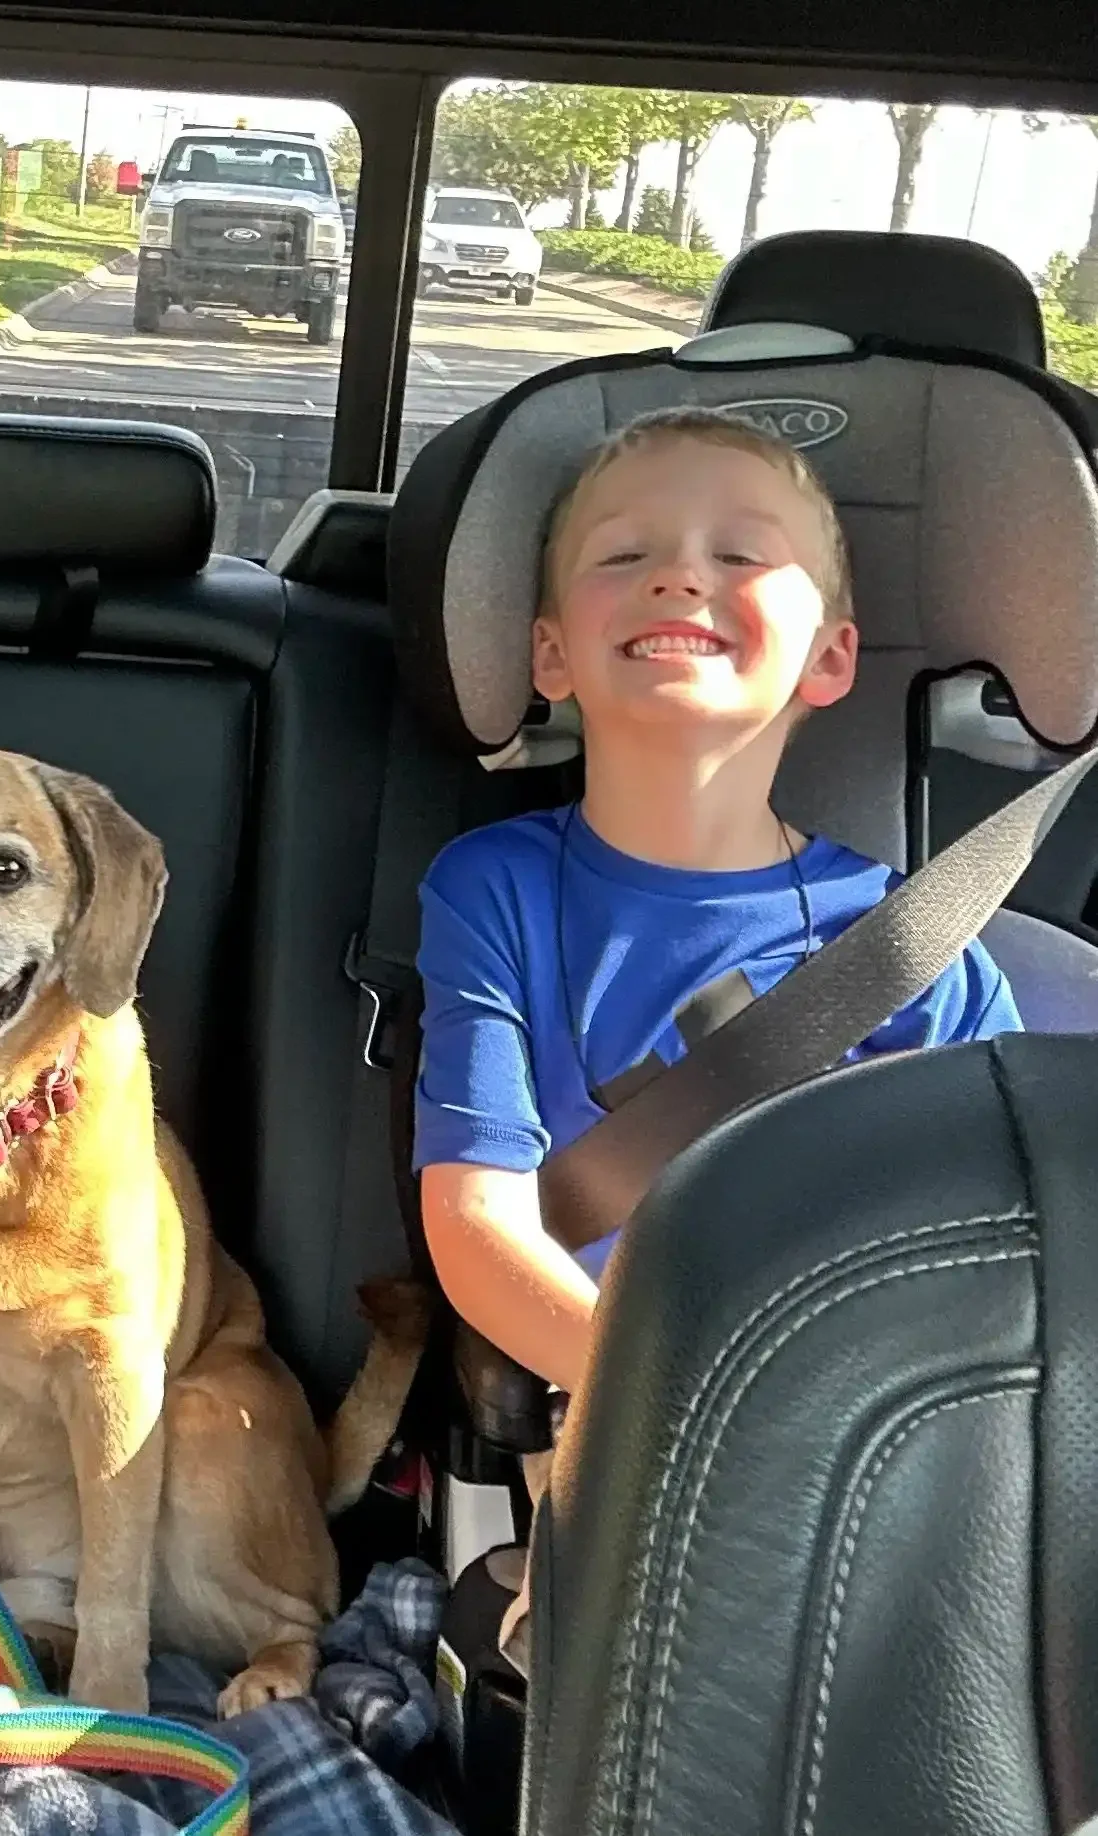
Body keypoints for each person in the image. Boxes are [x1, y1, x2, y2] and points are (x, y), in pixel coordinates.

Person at [410, 406, 1023, 1668]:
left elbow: (996, 1255)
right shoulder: (493, 890)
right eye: (623, 555)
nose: (681, 574)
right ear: (550, 652)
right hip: (611, 1419)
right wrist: (670, 1408)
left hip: (878, 1443)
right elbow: (476, 1220)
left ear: (831, 659)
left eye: (742, 557)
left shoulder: (916, 944)